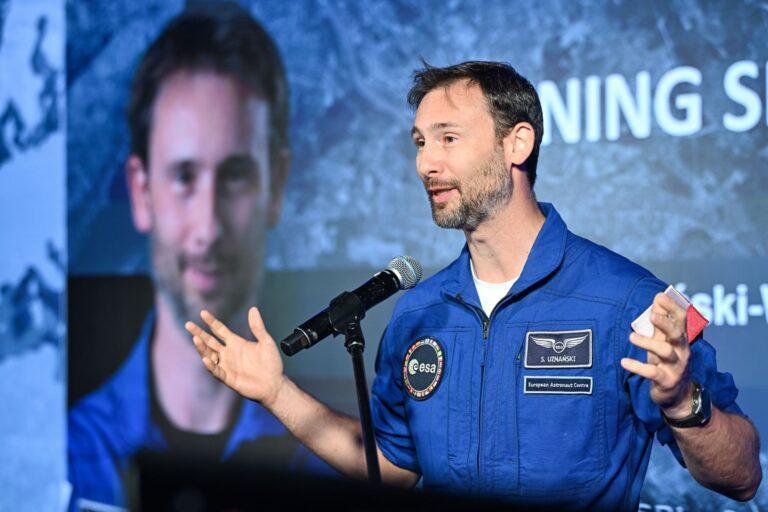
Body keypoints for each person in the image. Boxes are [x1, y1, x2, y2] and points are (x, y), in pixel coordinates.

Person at [185, 61, 762, 509]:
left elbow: (742, 477)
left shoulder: (628, 301)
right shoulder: (418, 312)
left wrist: (683, 402)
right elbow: (392, 467)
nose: (425, 164)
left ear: (518, 143)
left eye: (448, 138)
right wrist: (276, 392)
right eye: (419, 142)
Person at [67, 4, 321, 510]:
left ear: (276, 185)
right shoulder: (65, 461)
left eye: (235, 176)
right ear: (141, 191)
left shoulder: (327, 462)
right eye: (184, 176)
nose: (208, 228)